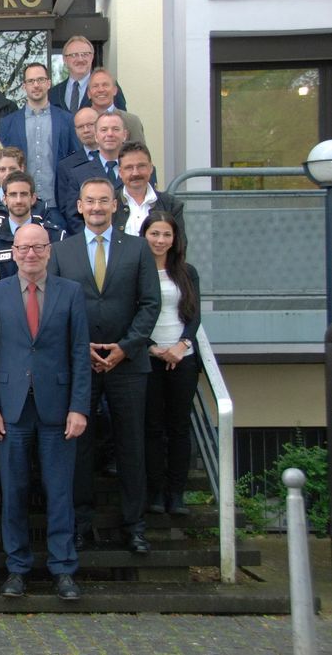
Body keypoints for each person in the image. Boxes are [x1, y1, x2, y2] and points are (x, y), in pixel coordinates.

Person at [47, 177, 161, 554]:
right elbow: (56, 309)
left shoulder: (139, 249)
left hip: (128, 364)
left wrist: (124, 347)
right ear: (79, 206)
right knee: (78, 446)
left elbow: (150, 305)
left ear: (116, 205)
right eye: (90, 201)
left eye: (103, 201)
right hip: (80, 364)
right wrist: (83, 348)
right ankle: (80, 523)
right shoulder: (62, 252)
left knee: (132, 446)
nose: (96, 207)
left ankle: (135, 525)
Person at [0, 223, 91, 601]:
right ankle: (17, 568)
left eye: (38, 248)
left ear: (48, 251)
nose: (30, 254)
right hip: (10, 409)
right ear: (13, 252)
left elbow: (79, 353)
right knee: (13, 491)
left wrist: (79, 407)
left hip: (58, 409)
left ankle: (63, 569)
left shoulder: (71, 292)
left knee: (59, 490)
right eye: (24, 248)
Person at [141, 211, 201, 516]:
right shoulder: (136, 272)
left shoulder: (187, 272)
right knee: (152, 428)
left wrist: (181, 346)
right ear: (144, 235)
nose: (160, 240)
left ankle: (176, 494)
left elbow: (194, 316)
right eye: (155, 234)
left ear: (175, 239)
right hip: (149, 358)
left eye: (166, 234)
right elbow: (132, 315)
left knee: (178, 427)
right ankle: (155, 492)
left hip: (183, 359)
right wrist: (153, 348)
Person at [0, 62, 80, 211]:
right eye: (31, 81)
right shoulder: (8, 123)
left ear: (48, 83)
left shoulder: (66, 120)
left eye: (41, 80)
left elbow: (76, 161)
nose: (36, 85)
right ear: (24, 86)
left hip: (57, 205)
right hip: (21, 206)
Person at [0, 170, 67, 297]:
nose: (18, 200)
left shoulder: (56, 236)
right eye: (13, 195)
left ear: (33, 198)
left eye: (23, 194)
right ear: (4, 199)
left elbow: (63, 281)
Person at [58, 113, 128, 232]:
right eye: (104, 130)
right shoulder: (78, 174)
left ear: (125, 135)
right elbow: (73, 216)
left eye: (115, 129)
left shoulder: (138, 171)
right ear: (96, 136)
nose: (110, 134)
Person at [114, 142, 185, 239]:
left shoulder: (171, 205)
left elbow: (179, 246)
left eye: (141, 166)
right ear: (120, 172)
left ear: (151, 168)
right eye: (129, 168)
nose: (135, 173)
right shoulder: (108, 204)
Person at [48, 35, 128, 112]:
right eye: (74, 55)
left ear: (92, 57)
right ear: (65, 59)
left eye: (85, 54)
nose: (80, 59)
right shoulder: (53, 94)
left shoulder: (108, 87)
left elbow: (121, 119)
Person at [87, 68, 145, 145]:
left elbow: (140, 155)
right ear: (89, 94)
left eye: (105, 85)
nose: (100, 90)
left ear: (115, 90)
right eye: (95, 86)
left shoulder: (132, 122)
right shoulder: (81, 122)